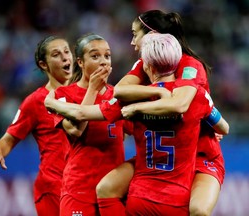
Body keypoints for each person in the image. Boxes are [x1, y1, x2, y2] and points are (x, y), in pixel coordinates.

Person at [44, 33, 229, 215]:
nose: (103, 61)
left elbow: (81, 113)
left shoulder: (132, 98)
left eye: (107, 55)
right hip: (177, 201)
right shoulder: (195, 94)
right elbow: (224, 128)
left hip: (140, 198)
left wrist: (52, 103)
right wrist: (208, 130)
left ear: (147, 66)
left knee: (106, 190)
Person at [94, 10, 228, 216]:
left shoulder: (191, 65)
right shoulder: (145, 63)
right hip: (162, 153)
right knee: (106, 188)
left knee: (198, 210)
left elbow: (180, 104)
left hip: (200, 153)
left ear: (152, 35)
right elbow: (119, 91)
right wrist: (158, 90)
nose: (132, 42)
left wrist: (138, 107)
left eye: (135, 34)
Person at [0, 35, 73, 216]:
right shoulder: (34, 102)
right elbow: (9, 139)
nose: (65, 57)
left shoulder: (86, 95)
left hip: (83, 187)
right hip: (52, 189)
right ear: (43, 64)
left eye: (67, 51)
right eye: (56, 54)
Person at [51, 33, 130, 216]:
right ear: (80, 62)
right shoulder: (63, 95)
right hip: (80, 190)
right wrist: (93, 89)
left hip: (113, 192)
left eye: (107, 56)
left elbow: (137, 131)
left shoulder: (120, 96)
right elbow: (76, 130)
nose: (103, 62)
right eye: (95, 56)